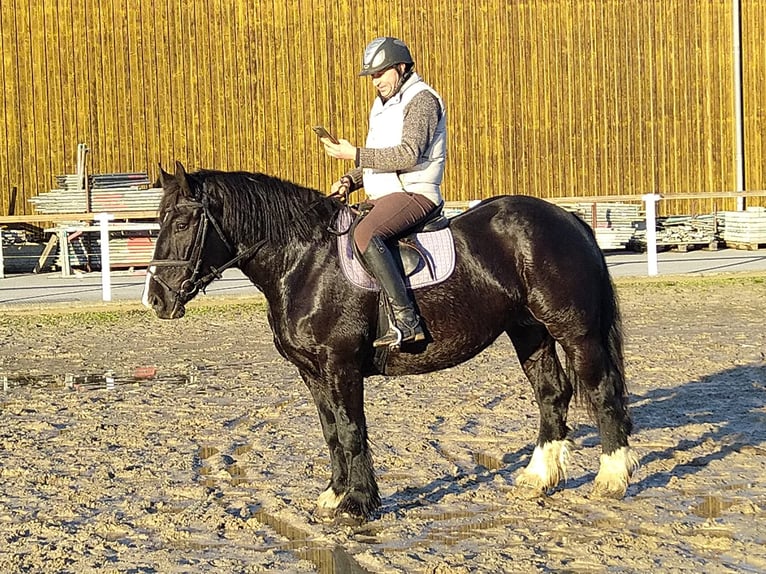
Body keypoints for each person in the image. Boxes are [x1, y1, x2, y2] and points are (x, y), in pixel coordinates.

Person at [320, 36, 447, 349]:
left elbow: (408, 155)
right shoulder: (382, 106)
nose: (375, 81)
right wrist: (349, 181)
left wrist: (355, 154)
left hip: (416, 193)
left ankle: (407, 320)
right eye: (372, 76)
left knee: (365, 234)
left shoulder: (422, 100)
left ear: (400, 68)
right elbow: (378, 158)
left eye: (380, 73)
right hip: (385, 195)